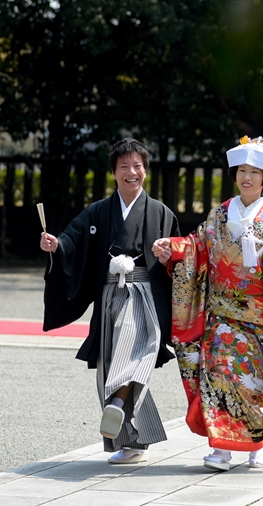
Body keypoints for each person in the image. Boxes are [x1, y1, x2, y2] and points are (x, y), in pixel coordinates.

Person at [152, 134, 263, 471]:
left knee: (256, 385)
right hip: (220, 315)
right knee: (217, 378)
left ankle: (256, 441)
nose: (247, 177)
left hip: (260, 319)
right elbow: (196, 246)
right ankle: (222, 450)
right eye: (242, 170)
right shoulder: (220, 214)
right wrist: (173, 248)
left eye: (255, 172)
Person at [40, 138, 180, 464]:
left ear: (145, 169)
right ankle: (133, 444)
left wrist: (170, 255)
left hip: (142, 295)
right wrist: (56, 245)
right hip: (108, 296)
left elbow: (180, 258)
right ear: (114, 173)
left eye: (137, 166)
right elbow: (71, 239)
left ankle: (116, 404)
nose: (132, 172)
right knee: (109, 364)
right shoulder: (99, 211)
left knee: (132, 352)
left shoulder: (161, 213)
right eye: (124, 167)